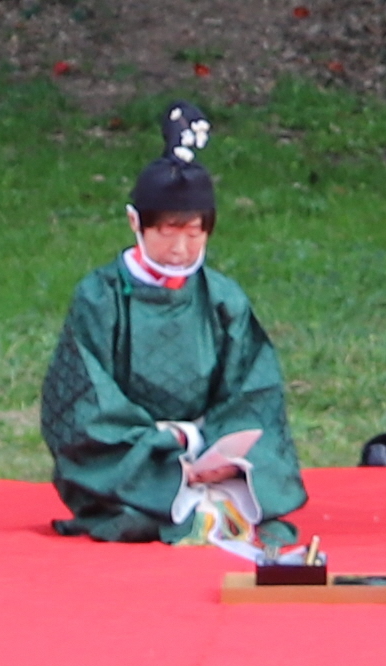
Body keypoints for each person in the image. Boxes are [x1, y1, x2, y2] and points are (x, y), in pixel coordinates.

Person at [37, 109, 305, 551]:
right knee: (134, 503)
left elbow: (254, 392)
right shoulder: (101, 296)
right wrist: (169, 443)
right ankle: (190, 500)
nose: (181, 249)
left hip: (212, 447)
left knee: (247, 474)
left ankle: (210, 497)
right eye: (167, 232)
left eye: (195, 234)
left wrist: (215, 447)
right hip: (135, 457)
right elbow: (82, 401)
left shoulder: (221, 298)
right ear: (135, 222)